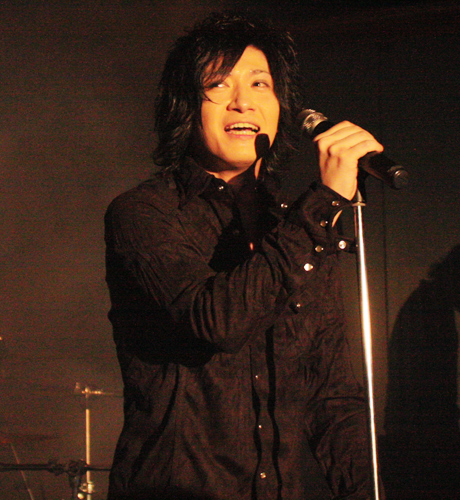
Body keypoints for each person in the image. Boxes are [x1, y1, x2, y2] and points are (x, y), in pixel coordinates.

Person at [104, 11, 384, 500]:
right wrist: (324, 203)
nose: (243, 101)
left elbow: (331, 395)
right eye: (219, 84)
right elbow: (216, 319)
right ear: (185, 105)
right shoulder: (144, 213)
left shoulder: (296, 227)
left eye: (260, 84)